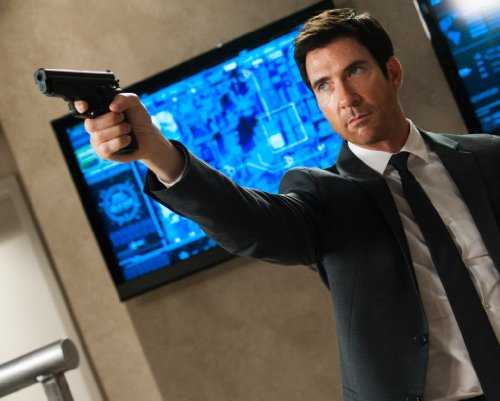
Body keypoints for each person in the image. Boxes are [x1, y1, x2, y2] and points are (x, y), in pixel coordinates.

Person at [74, 8, 499, 401]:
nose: (345, 97)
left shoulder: (488, 157)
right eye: (324, 85)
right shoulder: (323, 195)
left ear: (392, 72)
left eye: (355, 71)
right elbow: (249, 222)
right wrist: (157, 152)